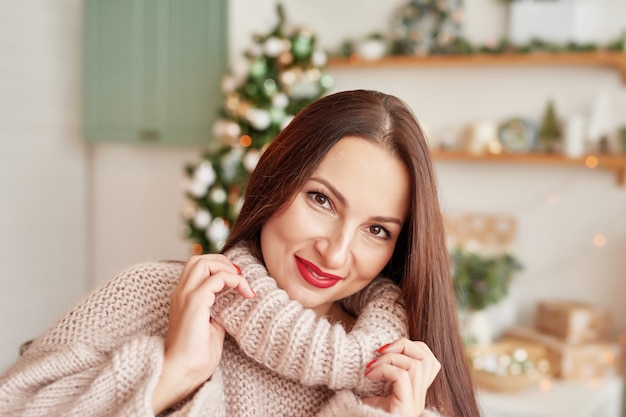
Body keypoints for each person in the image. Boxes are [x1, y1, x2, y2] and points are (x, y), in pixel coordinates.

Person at [0, 90, 480, 417]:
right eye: (321, 200)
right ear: (277, 180)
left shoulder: (407, 380)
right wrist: (170, 375)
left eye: (376, 229)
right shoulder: (152, 295)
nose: (335, 254)